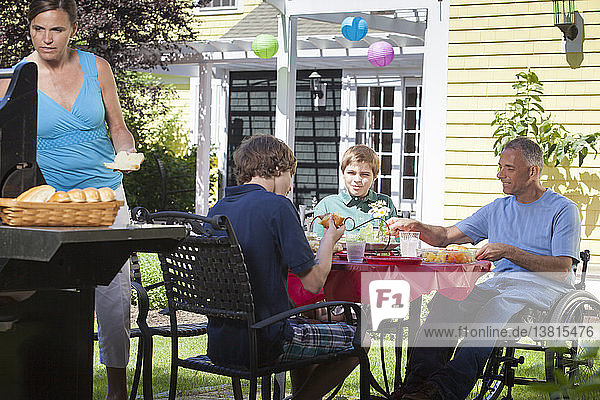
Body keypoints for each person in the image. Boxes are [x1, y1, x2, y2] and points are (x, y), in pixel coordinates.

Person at [0, 1, 141, 399]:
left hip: (105, 195)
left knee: (113, 291)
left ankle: (116, 391)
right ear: (29, 29)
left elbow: (119, 127)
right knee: (55, 289)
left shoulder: (97, 68)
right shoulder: (15, 79)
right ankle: (52, 380)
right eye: (38, 29)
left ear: (73, 30)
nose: (47, 38)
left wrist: (126, 153)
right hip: (50, 199)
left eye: (57, 30)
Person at [387, 137, 580, 400]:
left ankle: (442, 392)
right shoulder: (498, 208)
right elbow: (445, 236)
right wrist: (418, 228)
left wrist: (510, 251)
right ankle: (416, 387)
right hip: (498, 285)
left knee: (495, 309)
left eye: (509, 169)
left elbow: (561, 268)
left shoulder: (563, 209)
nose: (500, 174)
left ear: (533, 171)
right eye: (500, 167)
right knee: (447, 300)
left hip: (543, 288)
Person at [207, 134, 364, 399]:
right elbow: (314, 282)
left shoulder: (218, 210)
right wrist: (329, 240)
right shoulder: (278, 206)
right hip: (267, 343)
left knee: (303, 323)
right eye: (291, 174)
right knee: (361, 339)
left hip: (221, 343)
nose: (290, 185)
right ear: (278, 169)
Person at [312, 144, 397, 237]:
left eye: (364, 174)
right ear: (343, 174)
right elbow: (317, 244)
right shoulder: (327, 205)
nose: (357, 179)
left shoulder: (385, 203)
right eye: (351, 173)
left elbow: (395, 245)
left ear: (374, 177)